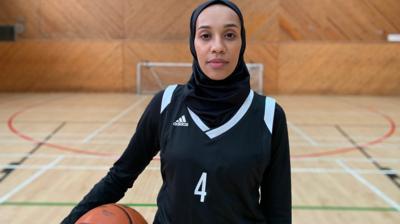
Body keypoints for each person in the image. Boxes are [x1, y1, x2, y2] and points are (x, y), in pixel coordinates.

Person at [62, 0, 291, 223]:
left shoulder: (269, 115)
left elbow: (278, 210)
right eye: (205, 35)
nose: (218, 46)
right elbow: (120, 176)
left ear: (242, 42)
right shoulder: (166, 104)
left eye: (230, 35)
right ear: (193, 43)